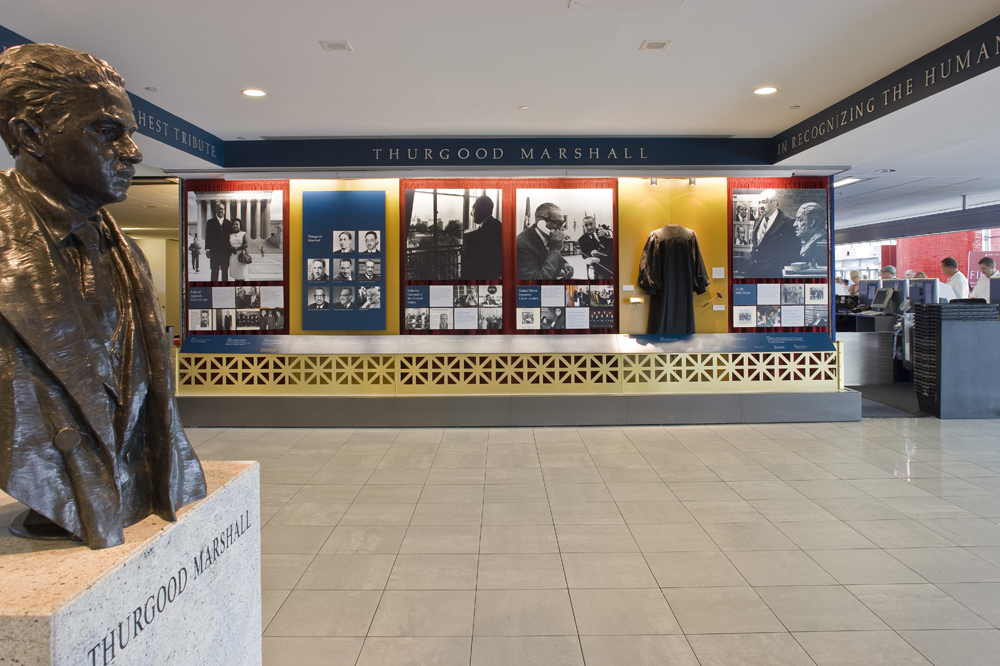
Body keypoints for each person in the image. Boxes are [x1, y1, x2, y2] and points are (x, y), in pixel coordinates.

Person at [0, 43, 205, 548]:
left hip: (129, 484)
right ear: (30, 136)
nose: (133, 152)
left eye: (130, 134)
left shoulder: (126, 253)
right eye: (107, 132)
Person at [747, 189, 800, 278]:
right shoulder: (758, 220)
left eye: (763, 202)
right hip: (752, 272)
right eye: (759, 202)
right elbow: (756, 247)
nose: (760, 206)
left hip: (772, 274)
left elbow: (793, 251)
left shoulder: (788, 222)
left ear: (774, 203)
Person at [516, 202, 574, 279]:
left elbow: (547, 256)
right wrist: (556, 250)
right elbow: (536, 280)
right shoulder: (521, 245)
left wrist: (564, 264)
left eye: (563, 224)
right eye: (558, 224)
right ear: (541, 223)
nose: (562, 229)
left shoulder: (548, 237)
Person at [461, 195, 503, 280]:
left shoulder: (484, 231)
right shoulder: (497, 225)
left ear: (481, 210)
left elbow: (477, 257)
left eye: (473, 209)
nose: (471, 213)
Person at [205, 200, 234, 281]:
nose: (221, 210)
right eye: (219, 208)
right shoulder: (210, 222)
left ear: (224, 211)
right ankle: (213, 286)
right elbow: (208, 236)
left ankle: (224, 287)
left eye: (222, 209)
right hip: (214, 251)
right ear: (216, 210)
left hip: (225, 252)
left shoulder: (228, 223)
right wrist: (207, 249)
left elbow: (231, 237)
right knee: (214, 271)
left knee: (225, 272)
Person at [793, 202, 827, 268]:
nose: (794, 224)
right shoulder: (808, 242)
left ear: (812, 222)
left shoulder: (819, 244)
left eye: (800, 220)